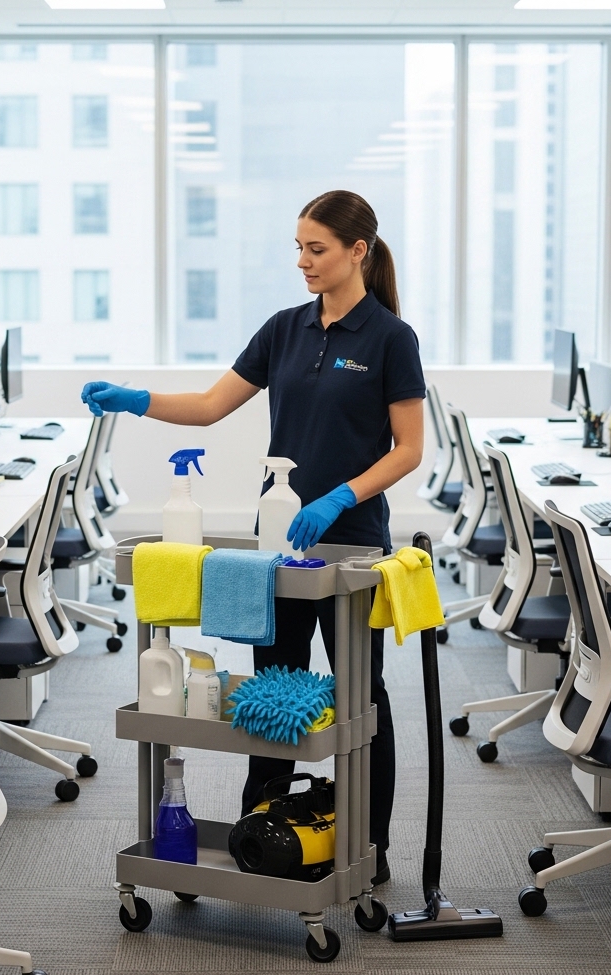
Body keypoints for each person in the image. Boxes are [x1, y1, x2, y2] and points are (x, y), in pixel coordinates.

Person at [82, 190, 426, 884]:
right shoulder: (285, 329)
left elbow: (409, 448)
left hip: (353, 542)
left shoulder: (391, 339)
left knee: (363, 697)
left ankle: (371, 845)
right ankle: (262, 833)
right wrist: (137, 401)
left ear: (358, 251)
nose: (302, 261)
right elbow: (213, 405)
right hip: (282, 543)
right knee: (274, 689)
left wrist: (341, 495)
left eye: (316, 249)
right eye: (297, 247)